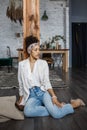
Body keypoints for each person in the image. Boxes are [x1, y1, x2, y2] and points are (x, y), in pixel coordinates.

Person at [15, 35, 85, 119]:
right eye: (35, 50)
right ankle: (55, 109)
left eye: (39, 49)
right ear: (30, 50)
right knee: (27, 112)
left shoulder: (43, 63)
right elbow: (21, 84)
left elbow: (46, 82)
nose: (38, 52)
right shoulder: (22, 65)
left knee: (56, 115)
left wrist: (54, 96)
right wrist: (21, 98)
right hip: (31, 95)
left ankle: (75, 103)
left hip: (42, 93)